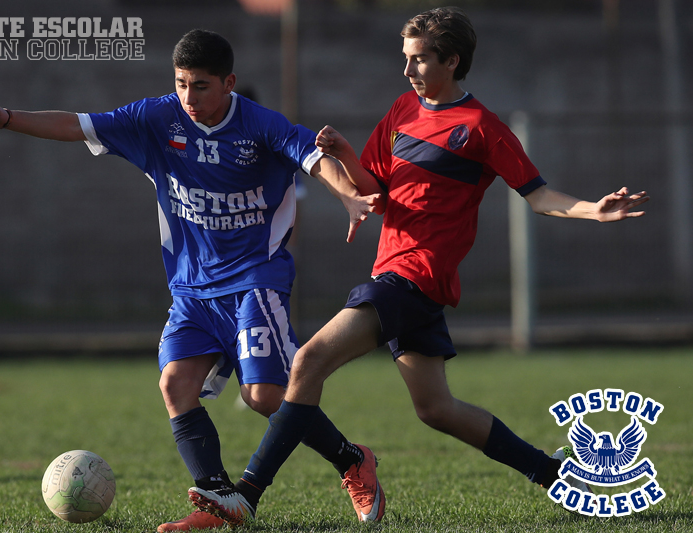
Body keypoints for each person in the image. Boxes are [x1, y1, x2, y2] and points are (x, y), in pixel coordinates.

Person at [188, 7, 650, 527]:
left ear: (452, 60)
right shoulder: (403, 110)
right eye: (405, 58)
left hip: (414, 277)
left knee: (307, 362)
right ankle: (556, 477)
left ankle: (247, 494)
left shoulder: (480, 127)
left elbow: (538, 195)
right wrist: (344, 154)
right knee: (436, 409)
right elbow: (376, 193)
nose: (408, 70)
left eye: (420, 59)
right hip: (400, 275)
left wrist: (594, 209)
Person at [0, 29, 385, 532]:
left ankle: (353, 461)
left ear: (229, 83)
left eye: (201, 86)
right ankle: (221, 497)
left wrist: (347, 197)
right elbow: (77, 125)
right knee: (175, 382)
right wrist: (9, 118)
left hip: (256, 280)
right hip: (190, 291)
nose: (189, 97)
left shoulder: (260, 126)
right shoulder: (156, 118)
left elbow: (317, 162)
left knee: (264, 398)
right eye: (182, 84)